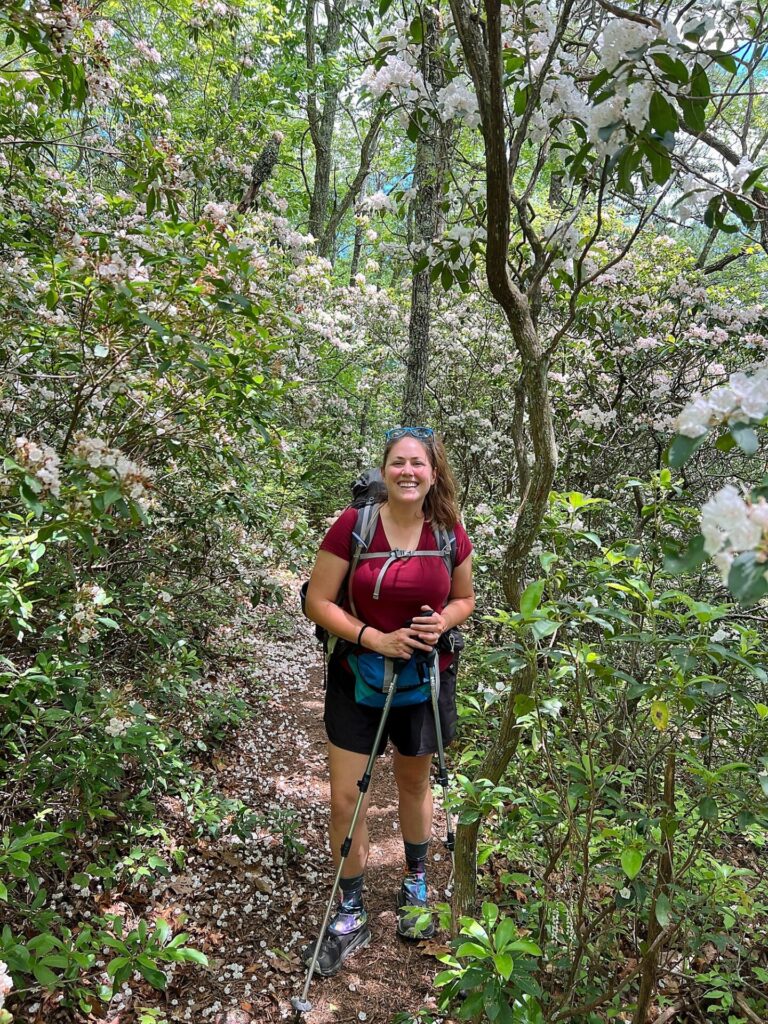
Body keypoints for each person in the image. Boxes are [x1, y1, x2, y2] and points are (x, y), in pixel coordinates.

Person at [302, 425, 474, 976]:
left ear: (432, 473)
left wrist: (441, 621)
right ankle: (350, 911)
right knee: (344, 800)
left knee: (414, 783)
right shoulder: (355, 526)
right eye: (398, 462)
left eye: (417, 464)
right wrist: (374, 638)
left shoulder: (448, 531)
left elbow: (465, 598)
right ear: (385, 470)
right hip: (358, 676)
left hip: (425, 679)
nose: (407, 472)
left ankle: (415, 886)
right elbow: (317, 600)